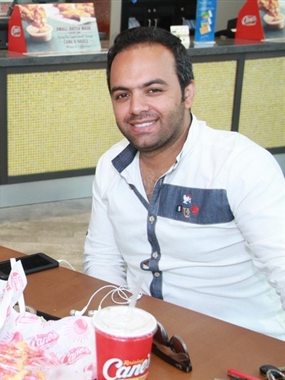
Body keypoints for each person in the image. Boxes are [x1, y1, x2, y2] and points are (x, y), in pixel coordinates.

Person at [83, 27, 285, 340]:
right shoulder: (111, 168)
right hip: (149, 342)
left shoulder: (240, 165)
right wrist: (115, 328)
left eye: (153, 90)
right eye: (122, 94)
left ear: (187, 94)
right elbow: (103, 260)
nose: (136, 108)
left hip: (241, 345)